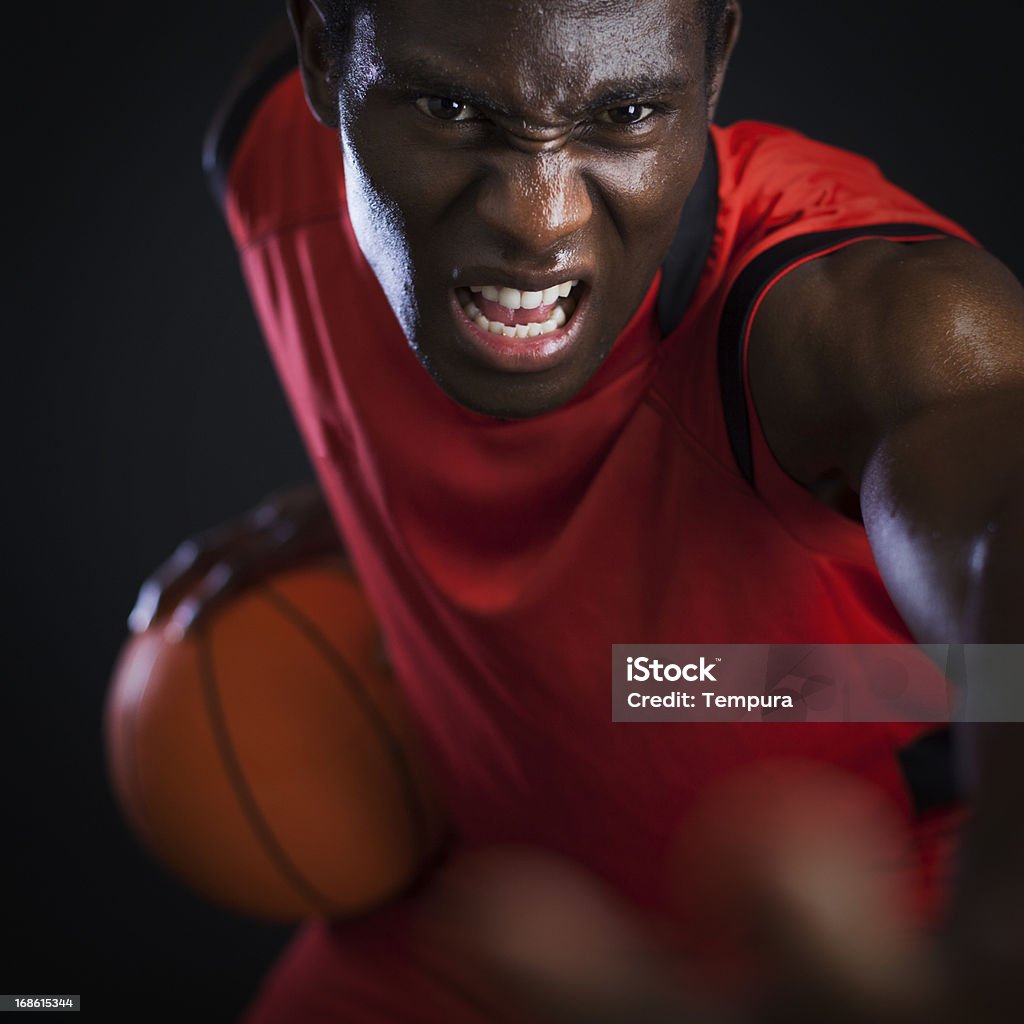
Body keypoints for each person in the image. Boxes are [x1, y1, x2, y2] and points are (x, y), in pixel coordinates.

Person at [130, 1, 1024, 1020]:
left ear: (714, 61)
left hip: (855, 967)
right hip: (481, 924)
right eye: (453, 108)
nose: (537, 216)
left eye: (629, 112)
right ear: (323, 54)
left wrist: (991, 948)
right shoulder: (277, 153)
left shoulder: (858, 320)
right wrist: (379, 505)